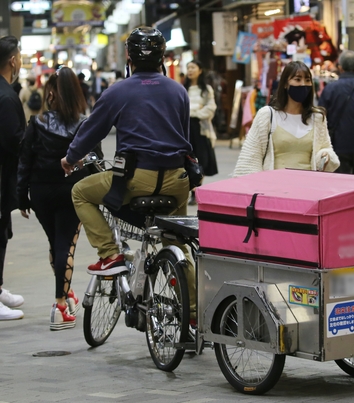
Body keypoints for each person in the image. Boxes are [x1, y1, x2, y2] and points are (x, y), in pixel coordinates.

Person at [60, 27, 196, 322]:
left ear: (128, 56)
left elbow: (91, 130)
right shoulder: (178, 91)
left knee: (80, 192)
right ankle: (194, 312)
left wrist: (70, 159)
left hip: (137, 179)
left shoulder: (118, 91)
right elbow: (184, 135)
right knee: (177, 242)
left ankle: (110, 254)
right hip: (177, 180)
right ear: (162, 56)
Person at [17, 67, 88, 330]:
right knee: (65, 246)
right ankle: (59, 305)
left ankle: (66, 292)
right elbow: (93, 163)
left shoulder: (37, 122)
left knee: (55, 243)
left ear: (51, 93)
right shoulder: (83, 124)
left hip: (40, 192)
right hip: (71, 192)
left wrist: (21, 196)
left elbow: (25, 161)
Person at [234, 60, 340, 176]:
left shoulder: (317, 118)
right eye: (297, 79)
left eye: (307, 80)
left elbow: (326, 148)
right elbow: (250, 156)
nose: (303, 84)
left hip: (309, 188)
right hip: (275, 188)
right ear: (285, 83)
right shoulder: (267, 115)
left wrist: (325, 155)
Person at [0, 35, 25, 320]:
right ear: (12, 60)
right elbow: (13, 140)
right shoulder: (5, 96)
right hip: (2, 176)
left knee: (3, 232)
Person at [184, 60, 218, 205]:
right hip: (185, 128)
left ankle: (197, 190)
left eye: (193, 67)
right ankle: (190, 190)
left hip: (201, 128)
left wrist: (194, 112)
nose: (190, 70)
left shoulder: (206, 89)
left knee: (201, 160)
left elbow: (210, 108)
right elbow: (180, 109)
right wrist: (197, 107)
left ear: (200, 70)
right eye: (188, 68)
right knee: (187, 159)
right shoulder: (182, 89)